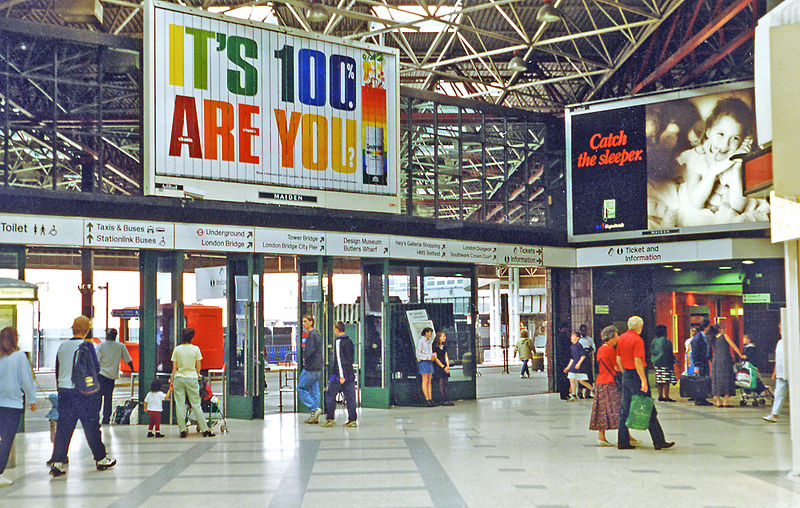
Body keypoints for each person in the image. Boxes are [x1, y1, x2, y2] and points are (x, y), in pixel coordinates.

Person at [49, 316, 116, 477]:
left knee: (64, 429)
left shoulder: (62, 346)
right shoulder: (87, 346)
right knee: (92, 426)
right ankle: (100, 459)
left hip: (65, 392)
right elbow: (95, 367)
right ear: (86, 330)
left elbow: (58, 369)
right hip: (83, 394)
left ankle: (57, 462)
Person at [616, 316, 674, 451]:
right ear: (640, 326)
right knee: (648, 407)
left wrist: (624, 372)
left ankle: (622, 441)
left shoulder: (622, 338)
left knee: (624, 409)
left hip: (626, 375)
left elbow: (618, 359)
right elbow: (638, 361)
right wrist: (643, 380)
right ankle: (659, 441)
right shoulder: (637, 340)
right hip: (636, 375)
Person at [0, 327, 37, 487]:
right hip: (13, 404)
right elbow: (26, 380)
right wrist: (32, 400)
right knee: (6, 440)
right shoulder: (20, 357)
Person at [170, 328, 214, 438]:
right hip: (192, 378)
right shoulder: (195, 349)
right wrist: (196, 374)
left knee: (180, 405)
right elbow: (198, 366)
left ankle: (183, 430)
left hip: (179, 377)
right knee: (196, 404)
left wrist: (172, 380)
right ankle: (204, 429)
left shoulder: (177, 349)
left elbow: (174, 368)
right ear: (192, 337)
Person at [321, 321, 358, 428]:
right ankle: (352, 420)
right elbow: (349, 359)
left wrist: (341, 375)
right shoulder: (349, 341)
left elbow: (339, 359)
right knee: (350, 397)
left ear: (336, 329)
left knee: (330, 395)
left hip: (339, 375)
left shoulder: (338, 342)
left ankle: (330, 418)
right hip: (350, 374)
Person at [590, 326, 622, 447]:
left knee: (601, 410)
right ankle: (626, 436)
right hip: (609, 382)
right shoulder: (610, 350)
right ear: (611, 337)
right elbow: (616, 367)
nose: (618, 338)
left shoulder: (600, 349)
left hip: (600, 382)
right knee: (618, 409)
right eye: (617, 335)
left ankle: (601, 436)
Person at [96, 328, 134, 425]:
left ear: (107, 335)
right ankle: (106, 419)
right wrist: (133, 370)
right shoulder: (120, 346)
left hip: (100, 375)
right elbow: (128, 360)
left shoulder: (101, 346)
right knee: (108, 398)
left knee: (98, 397)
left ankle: (96, 417)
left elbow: (95, 361)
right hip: (111, 377)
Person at [298, 314, 323, 424]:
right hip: (317, 367)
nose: (303, 324)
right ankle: (315, 415)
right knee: (314, 390)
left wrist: (305, 358)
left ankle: (314, 409)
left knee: (301, 388)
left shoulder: (312, 335)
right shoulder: (317, 334)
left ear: (311, 322)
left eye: (305, 321)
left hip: (310, 367)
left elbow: (310, 351)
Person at [710, 324, 741, 407]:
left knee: (716, 380)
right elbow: (733, 346)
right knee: (727, 379)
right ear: (720, 329)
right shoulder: (724, 336)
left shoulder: (712, 338)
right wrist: (740, 355)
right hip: (725, 360)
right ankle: (725, 401)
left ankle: (718, 401)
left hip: (715, 360)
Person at [763, 327, 787, 423]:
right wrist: (774, 372)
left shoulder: (793, 341)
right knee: (778, 394)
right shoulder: (780, 343)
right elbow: (778, 359)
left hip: (791, 372)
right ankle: (774, 414)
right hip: (781, 372)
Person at [564, 331, 593, 401]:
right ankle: (574, 395)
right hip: (573, 367)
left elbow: (583, 356)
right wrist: (568, 367)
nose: (571, 337)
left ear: (577, 338)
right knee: (571, 379)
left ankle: (594, 390)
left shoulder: (578, 346)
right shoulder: (572, 346)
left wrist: (579, 363)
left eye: (573, 336)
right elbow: (572, 358)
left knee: (582, 381)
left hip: (579, 367)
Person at [650, 324, 676, 402]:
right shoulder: (665, 340)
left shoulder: (654, 340)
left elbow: (652, 350)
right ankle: (666, 396)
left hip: (656, 362)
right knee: (666, 380)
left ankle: (660, 395)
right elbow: (668, 351)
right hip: (665, 363)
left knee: (659, 380)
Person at [691, 319, 713, 406]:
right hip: (700, 362)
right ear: (706, 327)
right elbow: (695, 353)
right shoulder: (697, 339)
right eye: (709, 326)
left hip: (705, 361)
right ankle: (699, 399)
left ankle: (702, 398)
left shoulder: (706, 337)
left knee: (704, 379)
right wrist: (696, 366)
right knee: (700, 380)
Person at [416, 327, 437, 407]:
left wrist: (432, 356)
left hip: (429, 361)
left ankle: (430, 398)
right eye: (430, 333)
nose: (431, 335)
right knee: (425, 380)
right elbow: (418, 353)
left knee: (429, 381)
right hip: (423, 361)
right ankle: (427, 399)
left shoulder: (429, 342)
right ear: (426, 333)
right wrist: (427, 357)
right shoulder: (421, 341)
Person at [432, 331, 453, 405]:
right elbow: (435, 358)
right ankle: (443, 399)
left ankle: (447, 399)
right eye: (443, 336)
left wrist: (447, 366)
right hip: (439, 366)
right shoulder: (434, 346)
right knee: (441, 382)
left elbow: (446, 356)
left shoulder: (444, 346)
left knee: (446, 382)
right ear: (439, 337)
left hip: (444, 365)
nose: (445, 338)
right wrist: (443, 366)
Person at [578, 324, 596, 398]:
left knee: (589, 376)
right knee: (582, 376)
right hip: (581, 359)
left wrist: (589, 350)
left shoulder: (589, 339)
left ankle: (588, 393)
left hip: (587, 359)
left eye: (585, 330)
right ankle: (580, 393)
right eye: (582, 330)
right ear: (580, 331)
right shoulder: (579, 339)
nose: (584, 332)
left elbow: (594, 348)